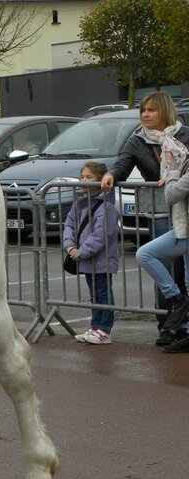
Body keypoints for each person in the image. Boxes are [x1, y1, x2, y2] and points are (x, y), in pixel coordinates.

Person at [101, 91, 189, 345]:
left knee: (185, 271)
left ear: (164, 111)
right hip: (161, 210)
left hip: (184, 206)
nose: (146, 115)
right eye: (143, 111)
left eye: (151, 110)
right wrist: (111, 175)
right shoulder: (138, 140)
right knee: (165, 266)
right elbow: (122, 164)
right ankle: (167, 322)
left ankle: (184, 325)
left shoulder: (184, 135)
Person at [136, 152, 189, 352]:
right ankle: (178, 299)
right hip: (183, 230)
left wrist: (172, 174)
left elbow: (171, 195)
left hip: (184, 231)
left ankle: (177, 299)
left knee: (145, 254)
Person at [63, 162, 120, 345]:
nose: (84, 180)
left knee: (104, 293)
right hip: (85, 258)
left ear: (100, 180)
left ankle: (105, 329)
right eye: (83, 176)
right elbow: (69, 224)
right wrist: (70, 246)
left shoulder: (106, 205)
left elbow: (102, 234)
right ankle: (95, 326)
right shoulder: (79, 202)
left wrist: (82, 252)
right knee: (94, 293)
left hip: (101, 259)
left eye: (89, 177)